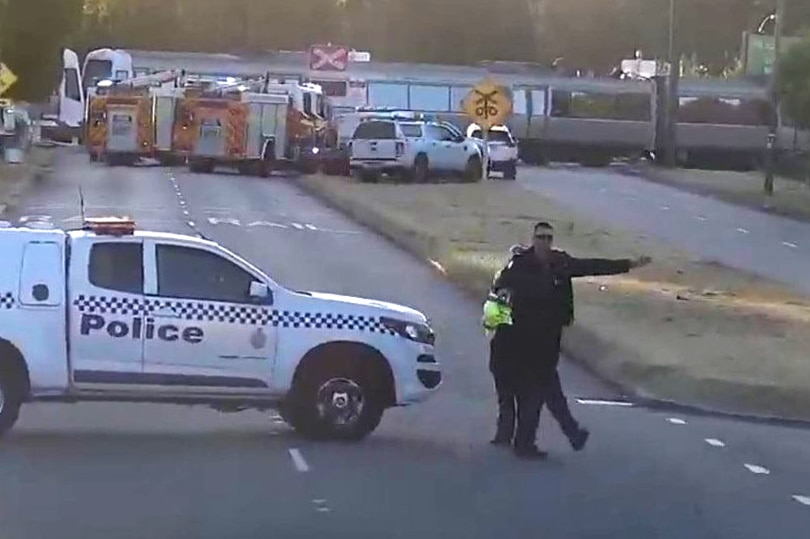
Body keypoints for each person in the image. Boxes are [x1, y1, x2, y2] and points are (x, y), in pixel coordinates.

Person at [488, 221, 650, 459]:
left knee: (544, 391)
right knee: (532, 392)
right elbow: (500, 288)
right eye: (540, 237)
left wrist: (628, 265)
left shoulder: (560, 263)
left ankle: (549, 436)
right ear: (533, 239)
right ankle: (528, 441)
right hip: (519, 338)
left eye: (548, 238)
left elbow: (592, 266)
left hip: (547, 339)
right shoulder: (520, 264)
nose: (544, 242)